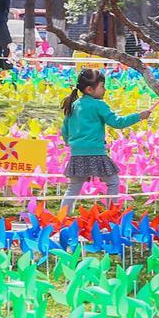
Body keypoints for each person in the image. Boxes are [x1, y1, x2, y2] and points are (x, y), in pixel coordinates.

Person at [60, 68, 151, 211]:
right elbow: (117, 122)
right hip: (95, 152)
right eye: (102, 86)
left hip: (77, 154)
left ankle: (61, 217)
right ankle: (111, 213)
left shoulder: (74, 105)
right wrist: (138, 116)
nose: (105, 90)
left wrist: (70, 143)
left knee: (73, 188)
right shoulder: (99, 105)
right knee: (113, 181)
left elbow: (64, 129)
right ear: (90, 89)